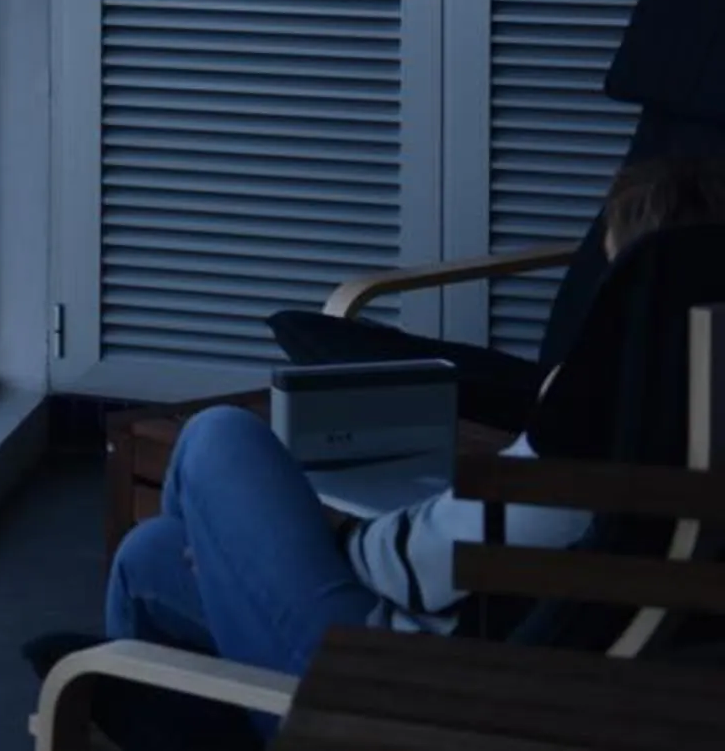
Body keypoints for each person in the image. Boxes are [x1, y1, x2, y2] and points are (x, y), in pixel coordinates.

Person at [56, 156, 725, 691]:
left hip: (383, 680)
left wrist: (333, 544)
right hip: (430, 636)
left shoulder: (595, 440)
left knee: (218, 436)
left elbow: (432, 566)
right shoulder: (681, 417)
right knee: (149, 556)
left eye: (610, 278)